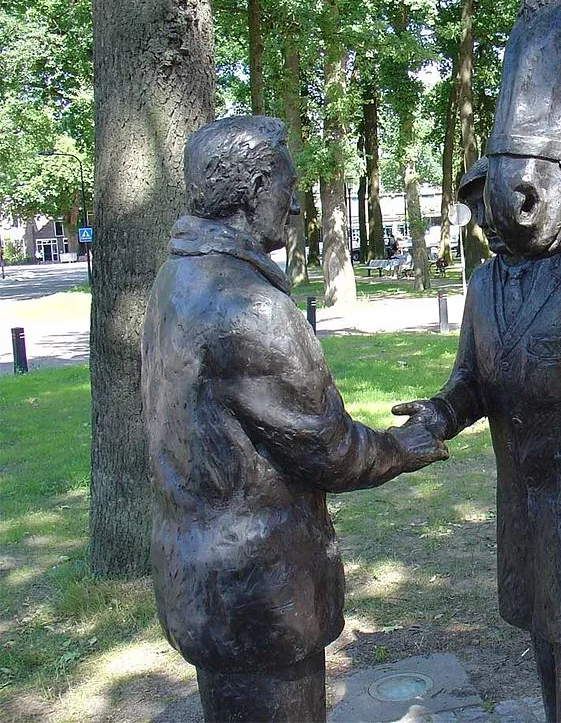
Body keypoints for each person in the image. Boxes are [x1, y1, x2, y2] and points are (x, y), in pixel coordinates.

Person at [141, 116, 448, 723]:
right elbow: (329, 449)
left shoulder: (175, 280)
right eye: (288, 185)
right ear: (255, 190)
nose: (297, 202)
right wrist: (403, 446)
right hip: (262, 588)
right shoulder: (251, 307)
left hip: (199, 575)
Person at [395, 159, 561, 722]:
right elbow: (472, 378)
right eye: (476, 210)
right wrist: (440, 413)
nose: (485, 222)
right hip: (521, 484)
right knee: (542, 620)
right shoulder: (483, 284)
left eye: (492, 207)